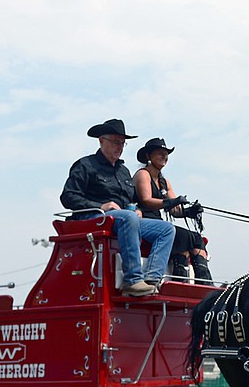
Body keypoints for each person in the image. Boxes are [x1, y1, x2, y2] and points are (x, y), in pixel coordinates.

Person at [60, 119, 176, 297]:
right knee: (128, 218)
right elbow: (68, 196)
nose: (119, 147)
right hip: (93, 218)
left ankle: (152, 279)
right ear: (101, 140)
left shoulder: (123, 171)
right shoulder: (85, 165)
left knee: (166, 229)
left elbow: (131, 200)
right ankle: (133, 280)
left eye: (122, 143)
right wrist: (101, 206)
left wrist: (137, 209)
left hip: (122, 219)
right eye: (115, 142)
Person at [132, 138, 212, 283]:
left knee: (196, 237)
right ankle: (179, 277)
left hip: (159, 223)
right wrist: (170, 202)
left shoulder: (164, 181)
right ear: (148, 156)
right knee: (181, 235)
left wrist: (189, 211)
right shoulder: (143, 174)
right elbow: (146, 201)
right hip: (144, 221)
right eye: (160, 153)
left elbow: (175, 210)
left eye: (166, 154)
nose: (164, 156)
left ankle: (204, 280)